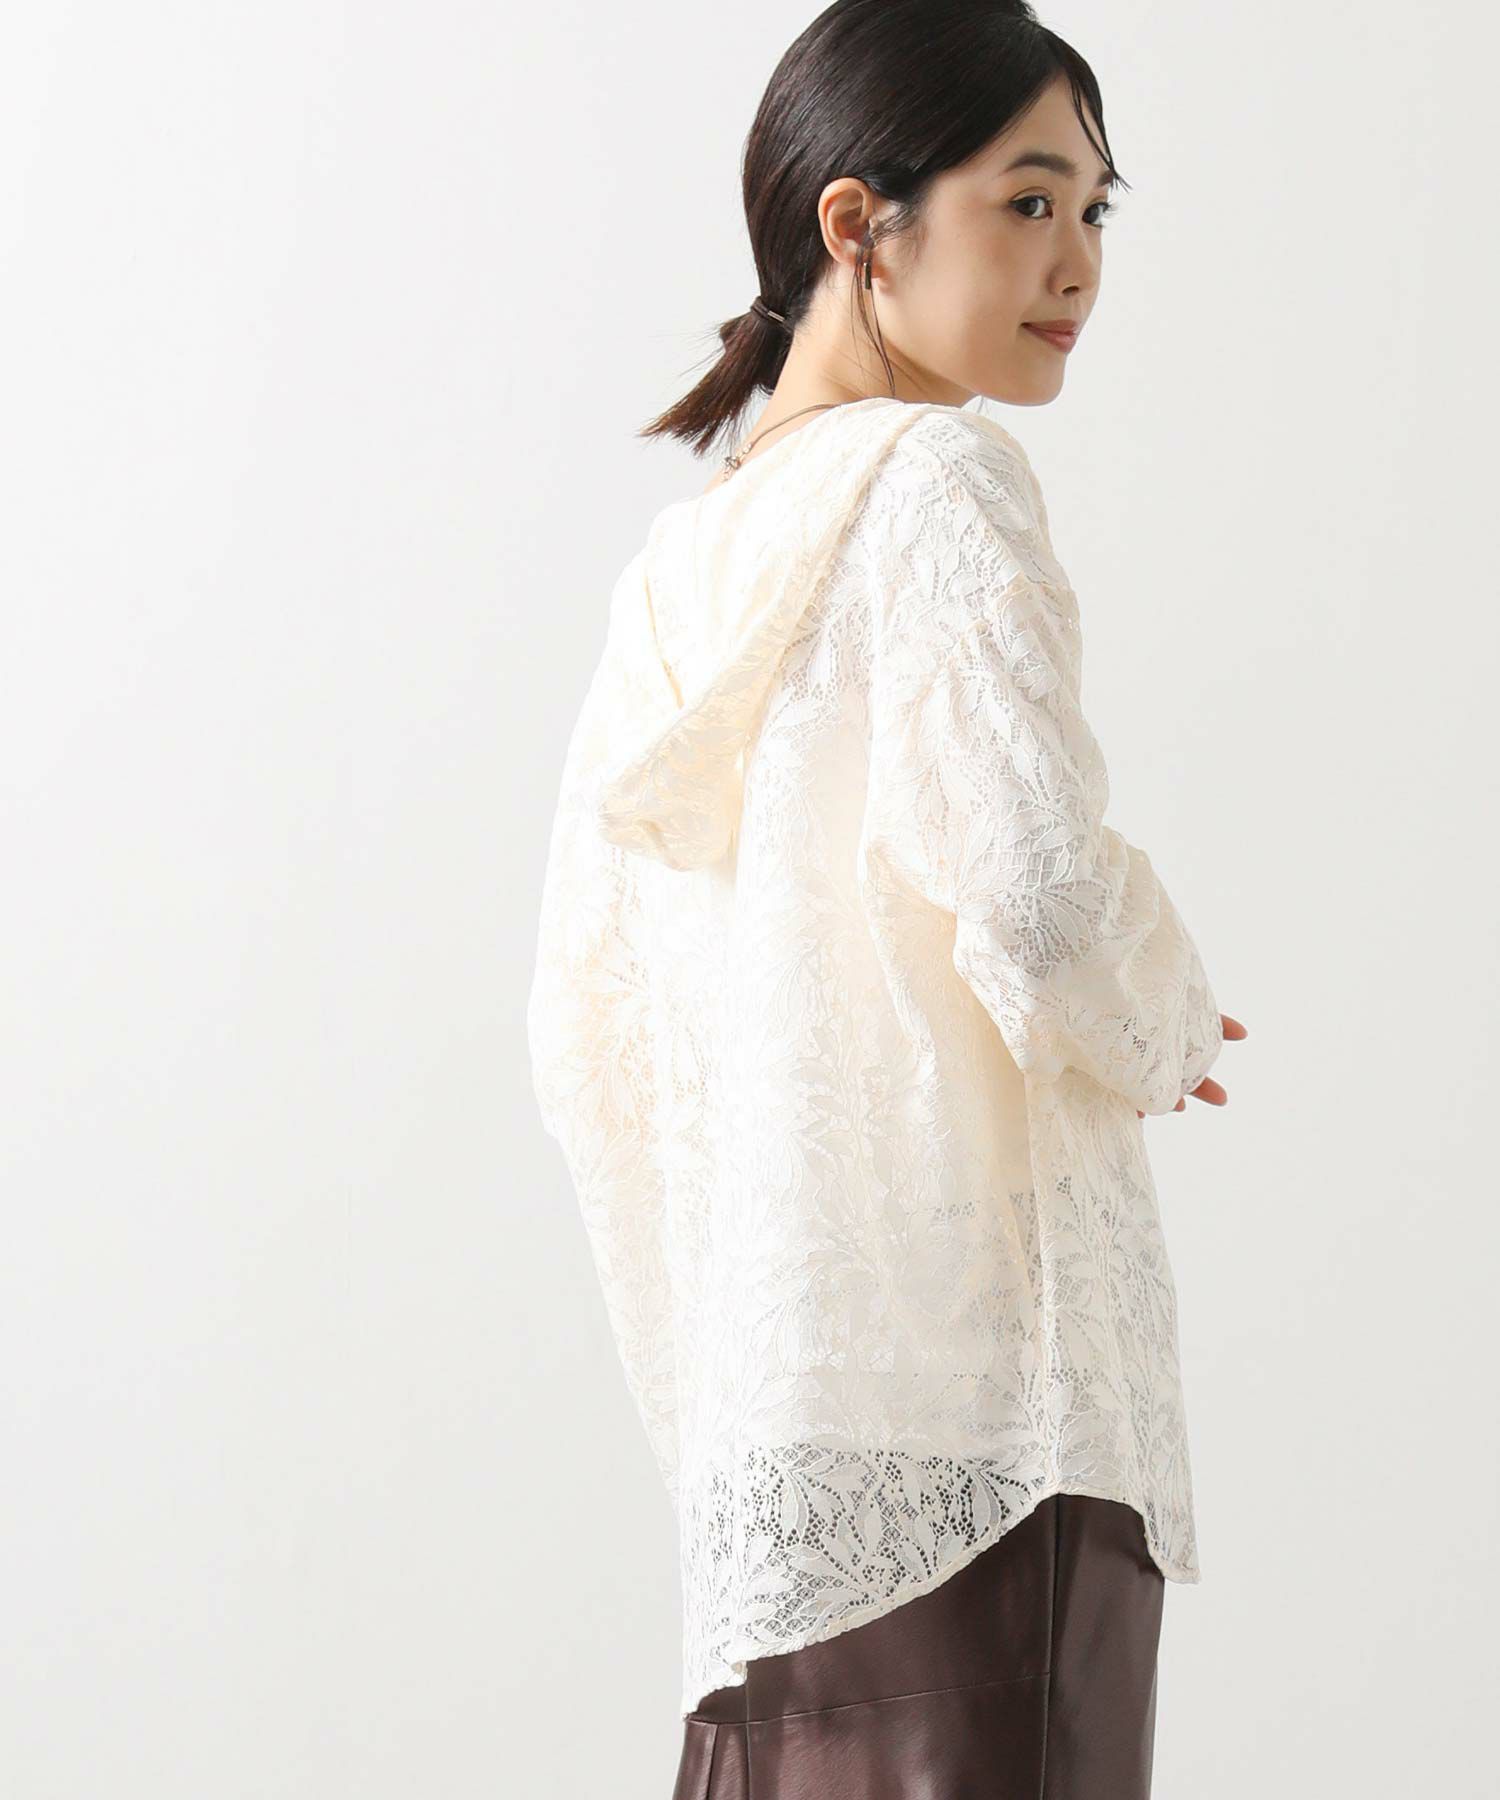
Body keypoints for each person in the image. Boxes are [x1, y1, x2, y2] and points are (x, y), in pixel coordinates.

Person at [526, 2, 1246, 1793]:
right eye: (1028, 202)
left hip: (785, 1454)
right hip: (999, 1426)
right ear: (859, 224)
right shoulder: (937, 481)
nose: (1077, 262)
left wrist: (733, 1335)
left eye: (1096, 210)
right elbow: (1038, 893)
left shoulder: (679, 573)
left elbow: (582, 1031)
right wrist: (1161, 1010)